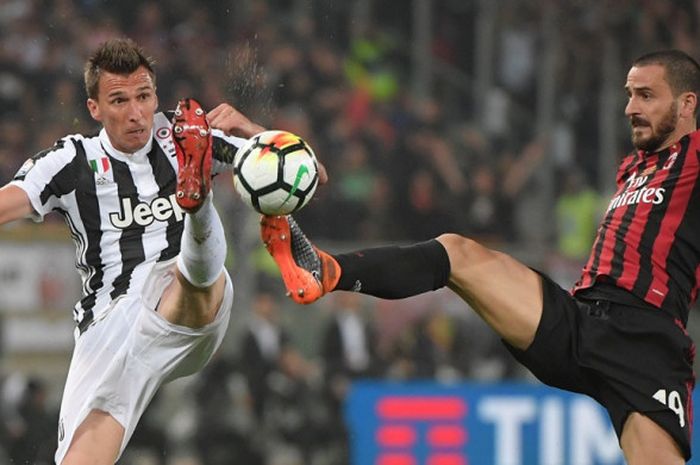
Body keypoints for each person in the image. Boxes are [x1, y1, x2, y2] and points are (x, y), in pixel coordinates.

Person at [261, 49, 700, 465]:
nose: (630, 108)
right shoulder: (635, 166)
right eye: (628, 95)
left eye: (646, 95)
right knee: (457, 253)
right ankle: (325, 270)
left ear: (687, 104)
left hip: (644, 344)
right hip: (581, 319)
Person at [0, 37, 267, 465]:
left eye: (143, 96)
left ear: (155, 95)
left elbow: (313, 174)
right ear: (94, 108)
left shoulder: (185, 136)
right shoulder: (72, 159)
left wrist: (255, 132)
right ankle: (196, 206)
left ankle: (196, 205)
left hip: (183, 296)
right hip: (110, 325)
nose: (135, 113)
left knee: (186, 276)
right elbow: (7, 203)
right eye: (119, 100)